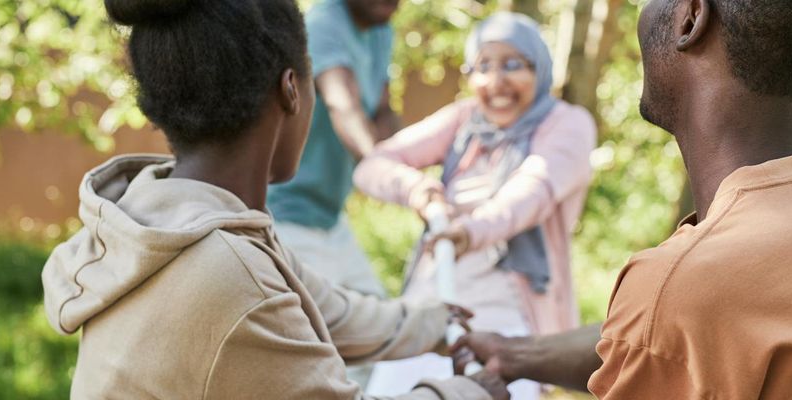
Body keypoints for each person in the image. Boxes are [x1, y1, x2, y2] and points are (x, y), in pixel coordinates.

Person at [452, 0, 792, 398]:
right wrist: (517, 355)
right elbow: (683, 344)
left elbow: (679, 323)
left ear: (690, 18)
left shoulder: (687, 283)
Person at [40, 0, 509, 398]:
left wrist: (436, 323)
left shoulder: (169, 216)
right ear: (291, 90)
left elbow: (329, 310)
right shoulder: (231, 275)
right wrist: (468, 391)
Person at [354, 12, 596, 399]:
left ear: (540, 67)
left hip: (511, 312)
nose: (495, 82)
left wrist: (469, 231)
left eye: (513, 65)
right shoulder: (465, 119)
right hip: (436, 296)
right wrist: (419, 191)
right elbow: (373, 166)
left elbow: (530, 195)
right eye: (482, 66)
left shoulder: (567, 125)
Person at [266, 0, 401, 300]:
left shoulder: (380, 29)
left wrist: (408, 163)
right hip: (286, 215)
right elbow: (344, 104)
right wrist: (385, 173)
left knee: (381, 319)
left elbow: (382, 110)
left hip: (329, 219)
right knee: (326, 330)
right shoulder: (324, 23)